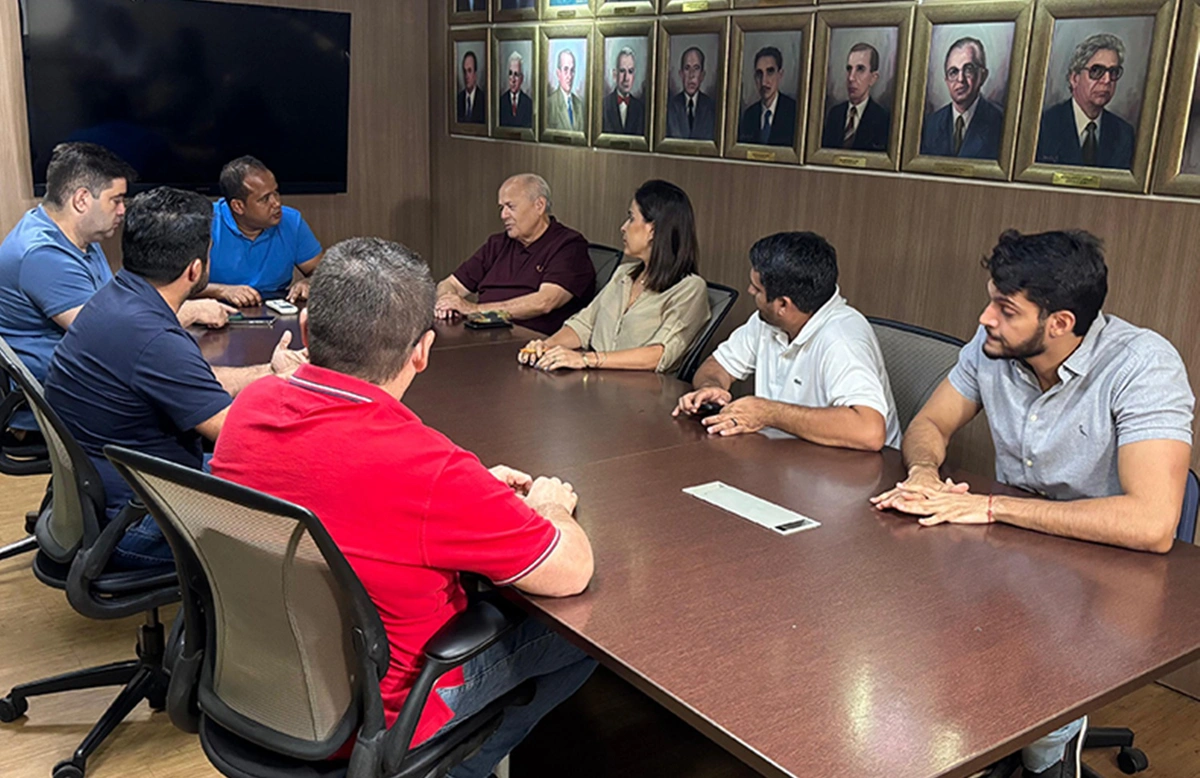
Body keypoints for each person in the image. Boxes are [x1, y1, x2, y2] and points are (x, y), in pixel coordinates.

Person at [210, 237, 596, 778]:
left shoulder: (251, 407)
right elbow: (572, 571)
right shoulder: (430, 469)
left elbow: (340, 486)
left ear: (303, 330)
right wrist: (552, 507)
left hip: (259, 680)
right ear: (423, 351)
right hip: (384, 712)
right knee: (582, 637)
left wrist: (470, 493)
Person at [871, 229, 1194, 778]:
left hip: (1102, 580)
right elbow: (929, 423)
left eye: (1004, 308)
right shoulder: (992, 349)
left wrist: (996, 510)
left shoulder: (1142, 365)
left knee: (1034, 719)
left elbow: (1153, 522)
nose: (984, 319)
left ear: (1060, 323)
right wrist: (924, 472)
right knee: (912, 644)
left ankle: (1050, 752)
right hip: (1006, 561)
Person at [44, 187, 307, 570]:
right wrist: (294, 396)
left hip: (115, 499)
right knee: (302, 505)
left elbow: (194, 383)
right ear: (195, 269)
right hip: (137, 523)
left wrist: (269, 371)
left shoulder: (117, 299)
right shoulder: (153, 338)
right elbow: (240, 435)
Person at [0, 143, 230, 434]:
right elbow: (111, 333)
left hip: (92, 382)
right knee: (193, 405)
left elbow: (119, 308)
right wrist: (191, 310)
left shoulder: (83, 238)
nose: (123, 211)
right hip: (73, 403)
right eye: (116, 200)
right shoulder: (41, 254)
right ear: (82, 199)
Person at [674, 231, 900, 451]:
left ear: (783, 304)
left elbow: (869, 431)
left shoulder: (842, 339)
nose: (750, 291)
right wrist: (711, 387)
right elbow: (716, 366)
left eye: (757, 288)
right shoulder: (766, 322)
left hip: (857, 475)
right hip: (785, 459)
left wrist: (769, 413)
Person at [518, 180, 710, 373]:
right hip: (593, 382)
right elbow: (584, 325)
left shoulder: (690, 288)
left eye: (631, 218)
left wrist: (586, 359)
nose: (623, 227)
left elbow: (659, 355)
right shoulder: (624, 274)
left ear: (652, 230)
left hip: (641, 395)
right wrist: (546, 347)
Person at [435, 174, 594, 335]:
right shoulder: (497, 243)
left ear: (539, 205)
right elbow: (450, 284)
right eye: (501, 208)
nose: (503, 215)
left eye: (510, 207)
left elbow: (545, 301)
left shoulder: (569, 246)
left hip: (531, 342)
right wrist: (446, 302)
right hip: (482, 333)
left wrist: (475, 310)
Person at [202, 155, 324, 306]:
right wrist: (222, 291)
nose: (277, 203)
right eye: (265, 199)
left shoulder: (291, 221)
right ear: (238, 206)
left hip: (274, 313)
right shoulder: (204, 224)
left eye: (276, 192)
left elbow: (323, 273)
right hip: (214, 312)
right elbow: (174, 287)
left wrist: (309, 282)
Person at [1036, 34, 1135, 169]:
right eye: (1096, 71)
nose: (1107, 80)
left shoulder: (1124, 134)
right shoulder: (1044, 125)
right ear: (1075, 78)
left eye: (1113, 71)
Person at [920, 37, 1004, 160]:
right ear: (946, 80)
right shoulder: (930, 124)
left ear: (983, 75)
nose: (960, 79)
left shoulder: (1001, 123)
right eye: (953, 72)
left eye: (968, 69)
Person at [821, 43, 891, 152]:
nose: (851, 78)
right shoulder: (835, 114)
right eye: (849, 69)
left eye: (860, 69)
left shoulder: (883, 119)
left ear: (873, 78)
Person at [736, 47, 798, 147]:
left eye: (770, 72)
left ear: (780, 74)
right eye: (759, 74)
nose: (764, 81)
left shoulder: (794, 112)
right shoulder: (749, 115)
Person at [666, 46, 717, 141]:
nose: (691, 75)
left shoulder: (712, 108)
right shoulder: (670, 107)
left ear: (702, 75)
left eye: (696, 68)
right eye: (687, 68)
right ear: (681, 74)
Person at [602, 46, 646, 136]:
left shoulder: (640, 108)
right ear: (615, 75)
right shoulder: (604, 105)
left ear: (634, 75)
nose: (626, 78)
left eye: (630, 71)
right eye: (622, 71)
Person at [546, 49, 585, 132]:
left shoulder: (579, 104)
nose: (569, 76)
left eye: (572, 70)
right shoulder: (549, 104)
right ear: (558, 73)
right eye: (566, 70)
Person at [499, 51, 534, 128]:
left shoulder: (528, 104)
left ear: (522, 78)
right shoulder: (501, 102)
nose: (513, 79)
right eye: (510, 73)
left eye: (516, 74)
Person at [456, 50, 486, 124]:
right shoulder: (458, 100)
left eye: (469, 71)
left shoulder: (484, 100)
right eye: (464, 71)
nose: (466, 76)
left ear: (475, 74)